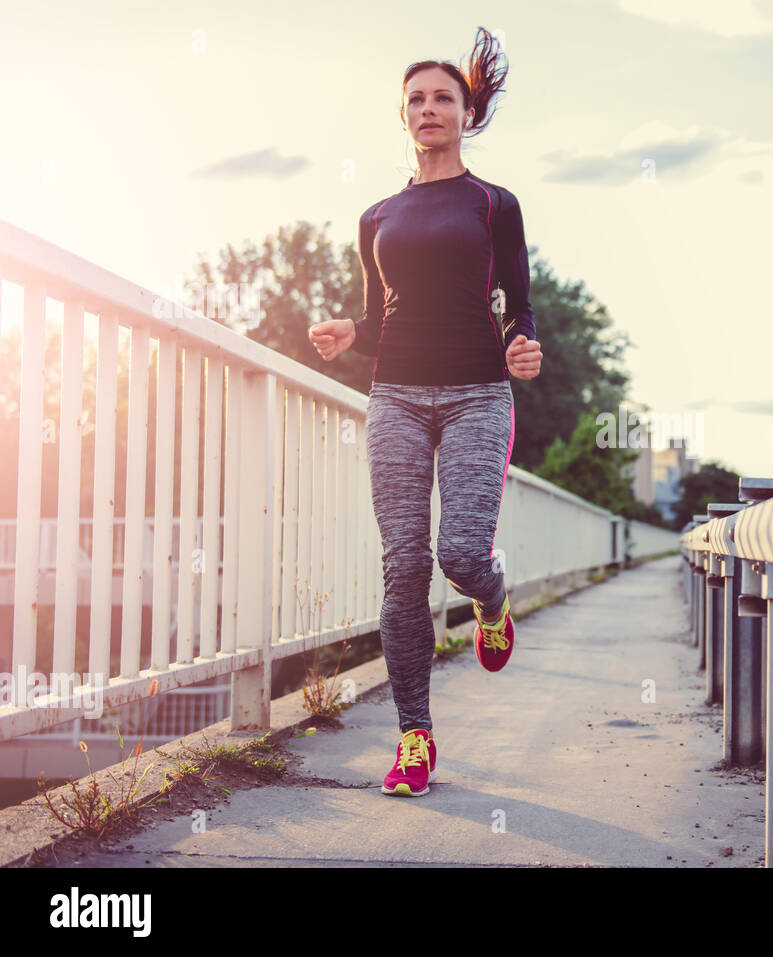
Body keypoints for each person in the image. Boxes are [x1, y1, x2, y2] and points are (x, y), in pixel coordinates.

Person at [308, 28, 542, 797]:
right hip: (397, 396)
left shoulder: (493, 203)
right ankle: (415, 737)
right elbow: (381, 315)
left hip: (478, 392)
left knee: (460, 554)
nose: (429, 108)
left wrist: (523, 346)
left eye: (444, 97)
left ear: (466, 112)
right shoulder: (377, 216)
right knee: (403, 564)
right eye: (416, 99)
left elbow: (517, 302)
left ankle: (493, 596)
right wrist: (352, 331)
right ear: (401, 116)